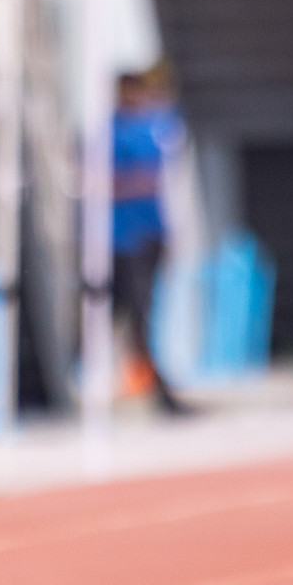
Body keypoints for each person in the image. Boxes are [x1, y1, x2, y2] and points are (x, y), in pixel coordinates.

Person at [111, 67, 193, 415]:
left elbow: (161, 180)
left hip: (149, 232)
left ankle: (148, 379)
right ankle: (144, 379)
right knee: (122, 308)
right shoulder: (109, 132)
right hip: (119, 236)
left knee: (143, 308)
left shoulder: (156, 128)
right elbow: (106, 181)